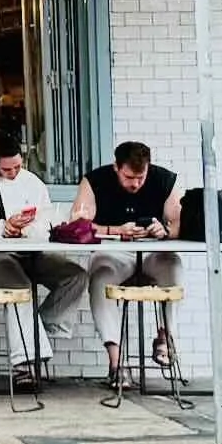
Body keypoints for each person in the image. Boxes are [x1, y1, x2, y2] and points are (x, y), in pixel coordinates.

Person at [0, 134, 88, 381]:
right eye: (6, 169)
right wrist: (3, 228)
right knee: (20, 285)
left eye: (18, 167)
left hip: (30, 251)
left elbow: (48, 223)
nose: (13, 173)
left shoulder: (32, 182)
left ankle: (34, 328)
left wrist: (26, 229)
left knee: (75, 276)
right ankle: (25, 364)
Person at [73, 141, 188, 381]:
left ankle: (166, 337)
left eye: (140, 177)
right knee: (100, 278)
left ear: (148, 168)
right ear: (116, 167)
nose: (135, 183)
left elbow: (180, 223)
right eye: (128, 177)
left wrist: (165, 231)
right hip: (113, 252)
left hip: (153, 252)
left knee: (174, 266)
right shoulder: (95, 180)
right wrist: (115, 230)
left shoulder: (164, 179)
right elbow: (78, 225)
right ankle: (117, 363)